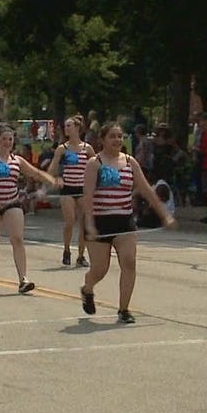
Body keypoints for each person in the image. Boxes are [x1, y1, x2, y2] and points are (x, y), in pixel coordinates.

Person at [80, 122, 176, 323]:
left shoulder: (130, 162)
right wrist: (89, 224)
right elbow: (87, 196)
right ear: (103, 140)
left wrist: (164, 214)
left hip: (124, 220)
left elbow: (146, 190)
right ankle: (88, 288)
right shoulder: (94, 163)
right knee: (100, 269)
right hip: (99, 221)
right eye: (112, 136)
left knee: (129, 262)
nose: (117, 140)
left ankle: (124, 309)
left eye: (120, 136)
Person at [0, 125, 57, 294]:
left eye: (10, 139)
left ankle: (23, 279)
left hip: (12, 202)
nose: (7, 142)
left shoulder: (17, 160)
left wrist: (50, 179)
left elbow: (34, 172)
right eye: (4, 139)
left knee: (17, 238)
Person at [47, 115, 95, 267]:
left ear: (77, 128)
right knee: (69, 221)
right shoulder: (63, 148)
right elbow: (52, 168)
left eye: (69, 126)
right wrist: (56, 178)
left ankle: (81, 255)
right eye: (66, 126)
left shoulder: (87, 148)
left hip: (82, 188)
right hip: (68, 188)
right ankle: (66, 250)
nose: (66, 129)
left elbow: (95, 166)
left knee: (84, 223)